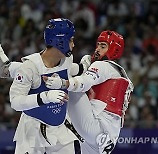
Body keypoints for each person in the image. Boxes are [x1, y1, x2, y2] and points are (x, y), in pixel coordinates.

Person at [0, 18, 91, 154]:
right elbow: (15, 102)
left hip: (61, 129)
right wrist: (45, 96)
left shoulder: (67, 60)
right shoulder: (30, 67)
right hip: (32, 131)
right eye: (71, 39)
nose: (73, 44)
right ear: (60, 41)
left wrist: (86, 64)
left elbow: (70, 69)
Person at [43, 30, 134, 154]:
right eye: (97, 45)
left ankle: (53, 121)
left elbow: (83, 82)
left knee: (71, 85)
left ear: (113, 49)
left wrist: (63, 83)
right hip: (107, 138)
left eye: (103, 46)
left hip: (96, 127)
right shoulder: (122, 75)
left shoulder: (105, 66)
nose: (97, 49)